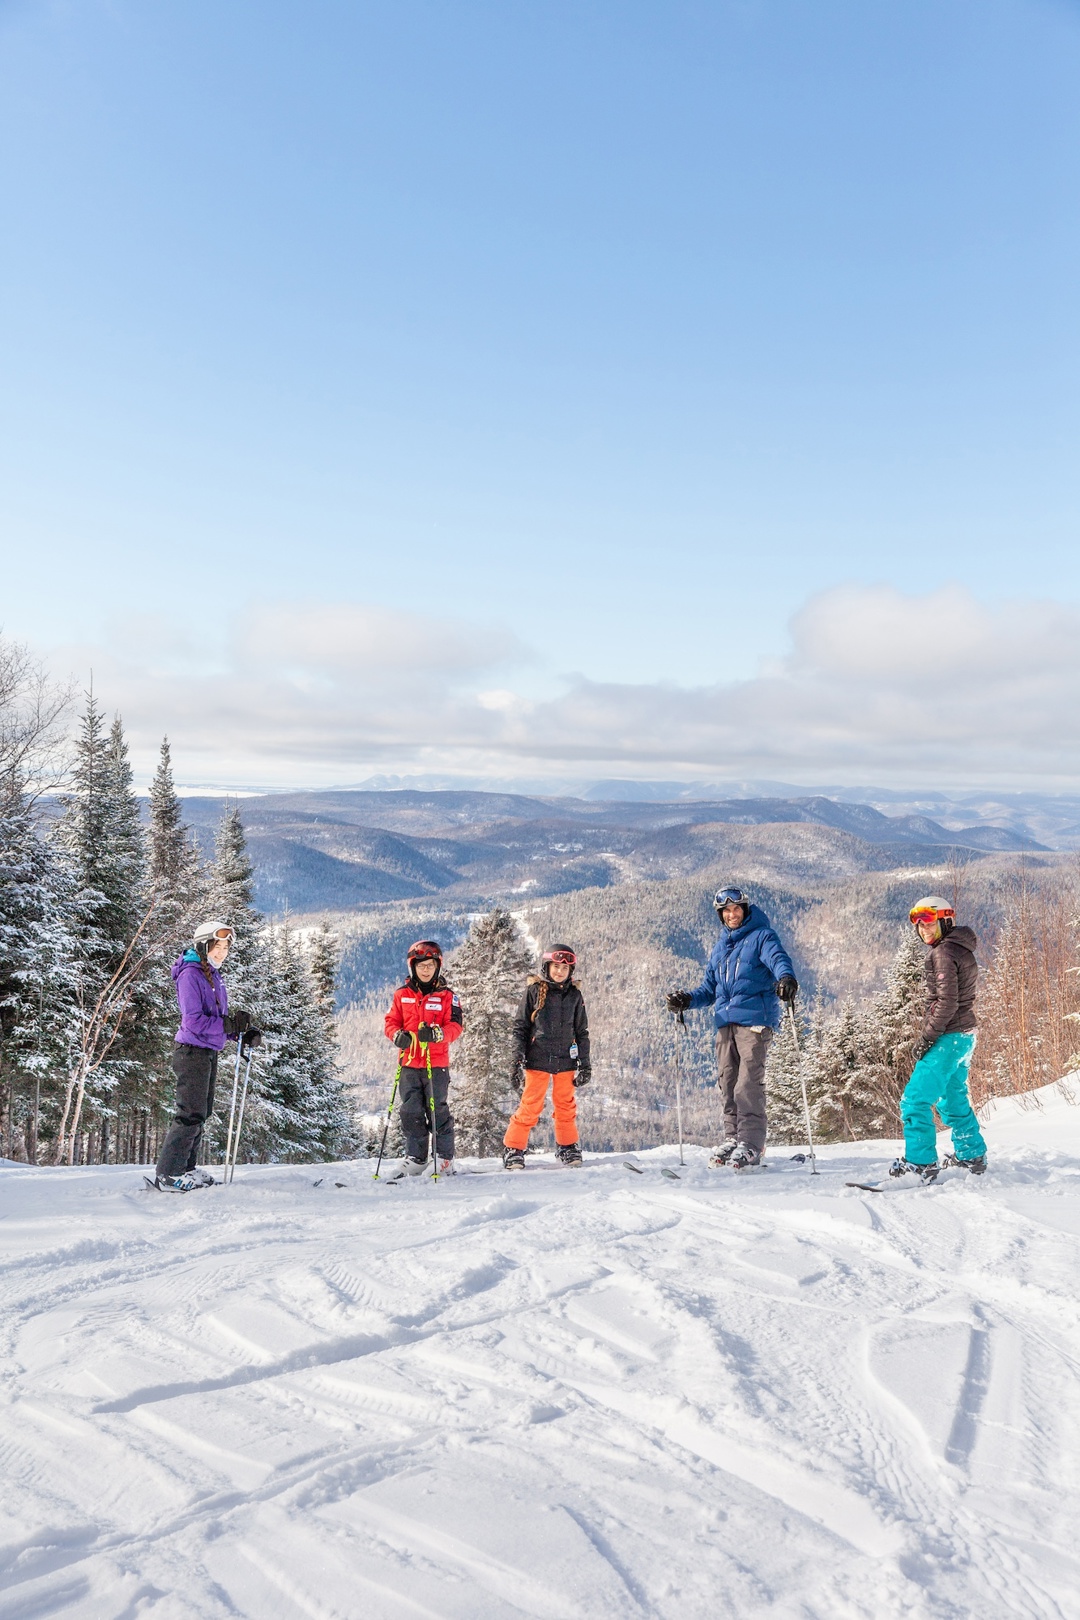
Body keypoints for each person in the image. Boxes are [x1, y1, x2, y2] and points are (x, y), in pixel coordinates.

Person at [666, 887, 797, 1169]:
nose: (732, 914)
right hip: (725, 1023)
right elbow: (709, 989)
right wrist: (687, 1000)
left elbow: (778, 960)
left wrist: (786, 978)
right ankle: (733, 1137)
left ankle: (751, 1143)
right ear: (720, 915)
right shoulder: (721, 947)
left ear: (745, 910)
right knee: (728, 1083)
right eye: (726, 910)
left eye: (737, 908)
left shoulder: (762, 936)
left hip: (754, 1021)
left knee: (747, 1084)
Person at [154, 920, 262, 1191]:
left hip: (207, 1051)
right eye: (217, 946)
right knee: (189, 1113)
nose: (221, 952)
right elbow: (193, 1022)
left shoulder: (212, 975)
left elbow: (216, 1020)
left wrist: (239, 1033)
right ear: (203, 946)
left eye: (226, 947)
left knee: (201, 1113)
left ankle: (186, 1168)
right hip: (191, 1052)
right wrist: (227, 1026)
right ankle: (169, 1174)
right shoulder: (191, 974)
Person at [890, 896, 986, 1184]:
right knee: (952, 1097)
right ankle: (971, 1154)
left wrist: (926, 1038)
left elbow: (946, 1003)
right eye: (918, 924)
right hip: (965, 1036)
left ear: (945, 920)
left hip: (948, 1037)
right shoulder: (961, 947)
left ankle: (920, 1164)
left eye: (928, 922)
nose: (922, 928)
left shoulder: (943, 953)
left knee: (915, 1100)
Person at [503, 945, 591, 1170]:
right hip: (538, 1057)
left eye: (565, 967)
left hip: (566, 1060)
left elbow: (581, 1031)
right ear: (547, 967)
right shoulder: (534, 991)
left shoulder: (575, 995)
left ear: (570, 970)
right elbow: (520, 1027)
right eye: (556, 966)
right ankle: (514, 1148)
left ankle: (567, 1146)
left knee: (565, 1105)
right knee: (531, 1104)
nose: (560, 971)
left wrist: (585, 1063)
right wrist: (517, 1058)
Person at [384, 941, 463, 1175]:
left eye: (430, 965)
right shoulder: (402, 994)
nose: (426, 970)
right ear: (413, 967)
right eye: (421, 965)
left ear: (437, 967)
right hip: (408, 1063)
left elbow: (456, 1027)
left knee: (436, 1109)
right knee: (410, 1111)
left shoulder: (448, 996)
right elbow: (391, 1022)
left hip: (435, 1063)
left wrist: (437, 1034)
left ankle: (443, 1158)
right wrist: (396, 1035)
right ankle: (416, 1157)